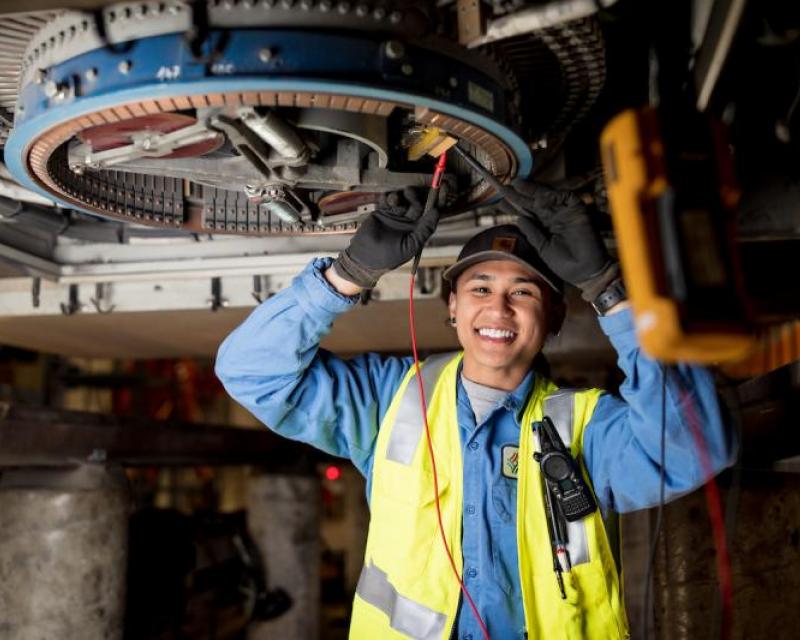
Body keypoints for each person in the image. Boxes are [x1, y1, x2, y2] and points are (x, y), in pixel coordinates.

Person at [215, 184, 735, 640]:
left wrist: (607, 289)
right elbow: (250, 371)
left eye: (524, 292)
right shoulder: (386, 399)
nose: (498, 309)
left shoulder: (587, 428)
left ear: (552, 318)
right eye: (480, 288)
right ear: (453, 307)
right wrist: (348, 275)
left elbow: (697, 448)